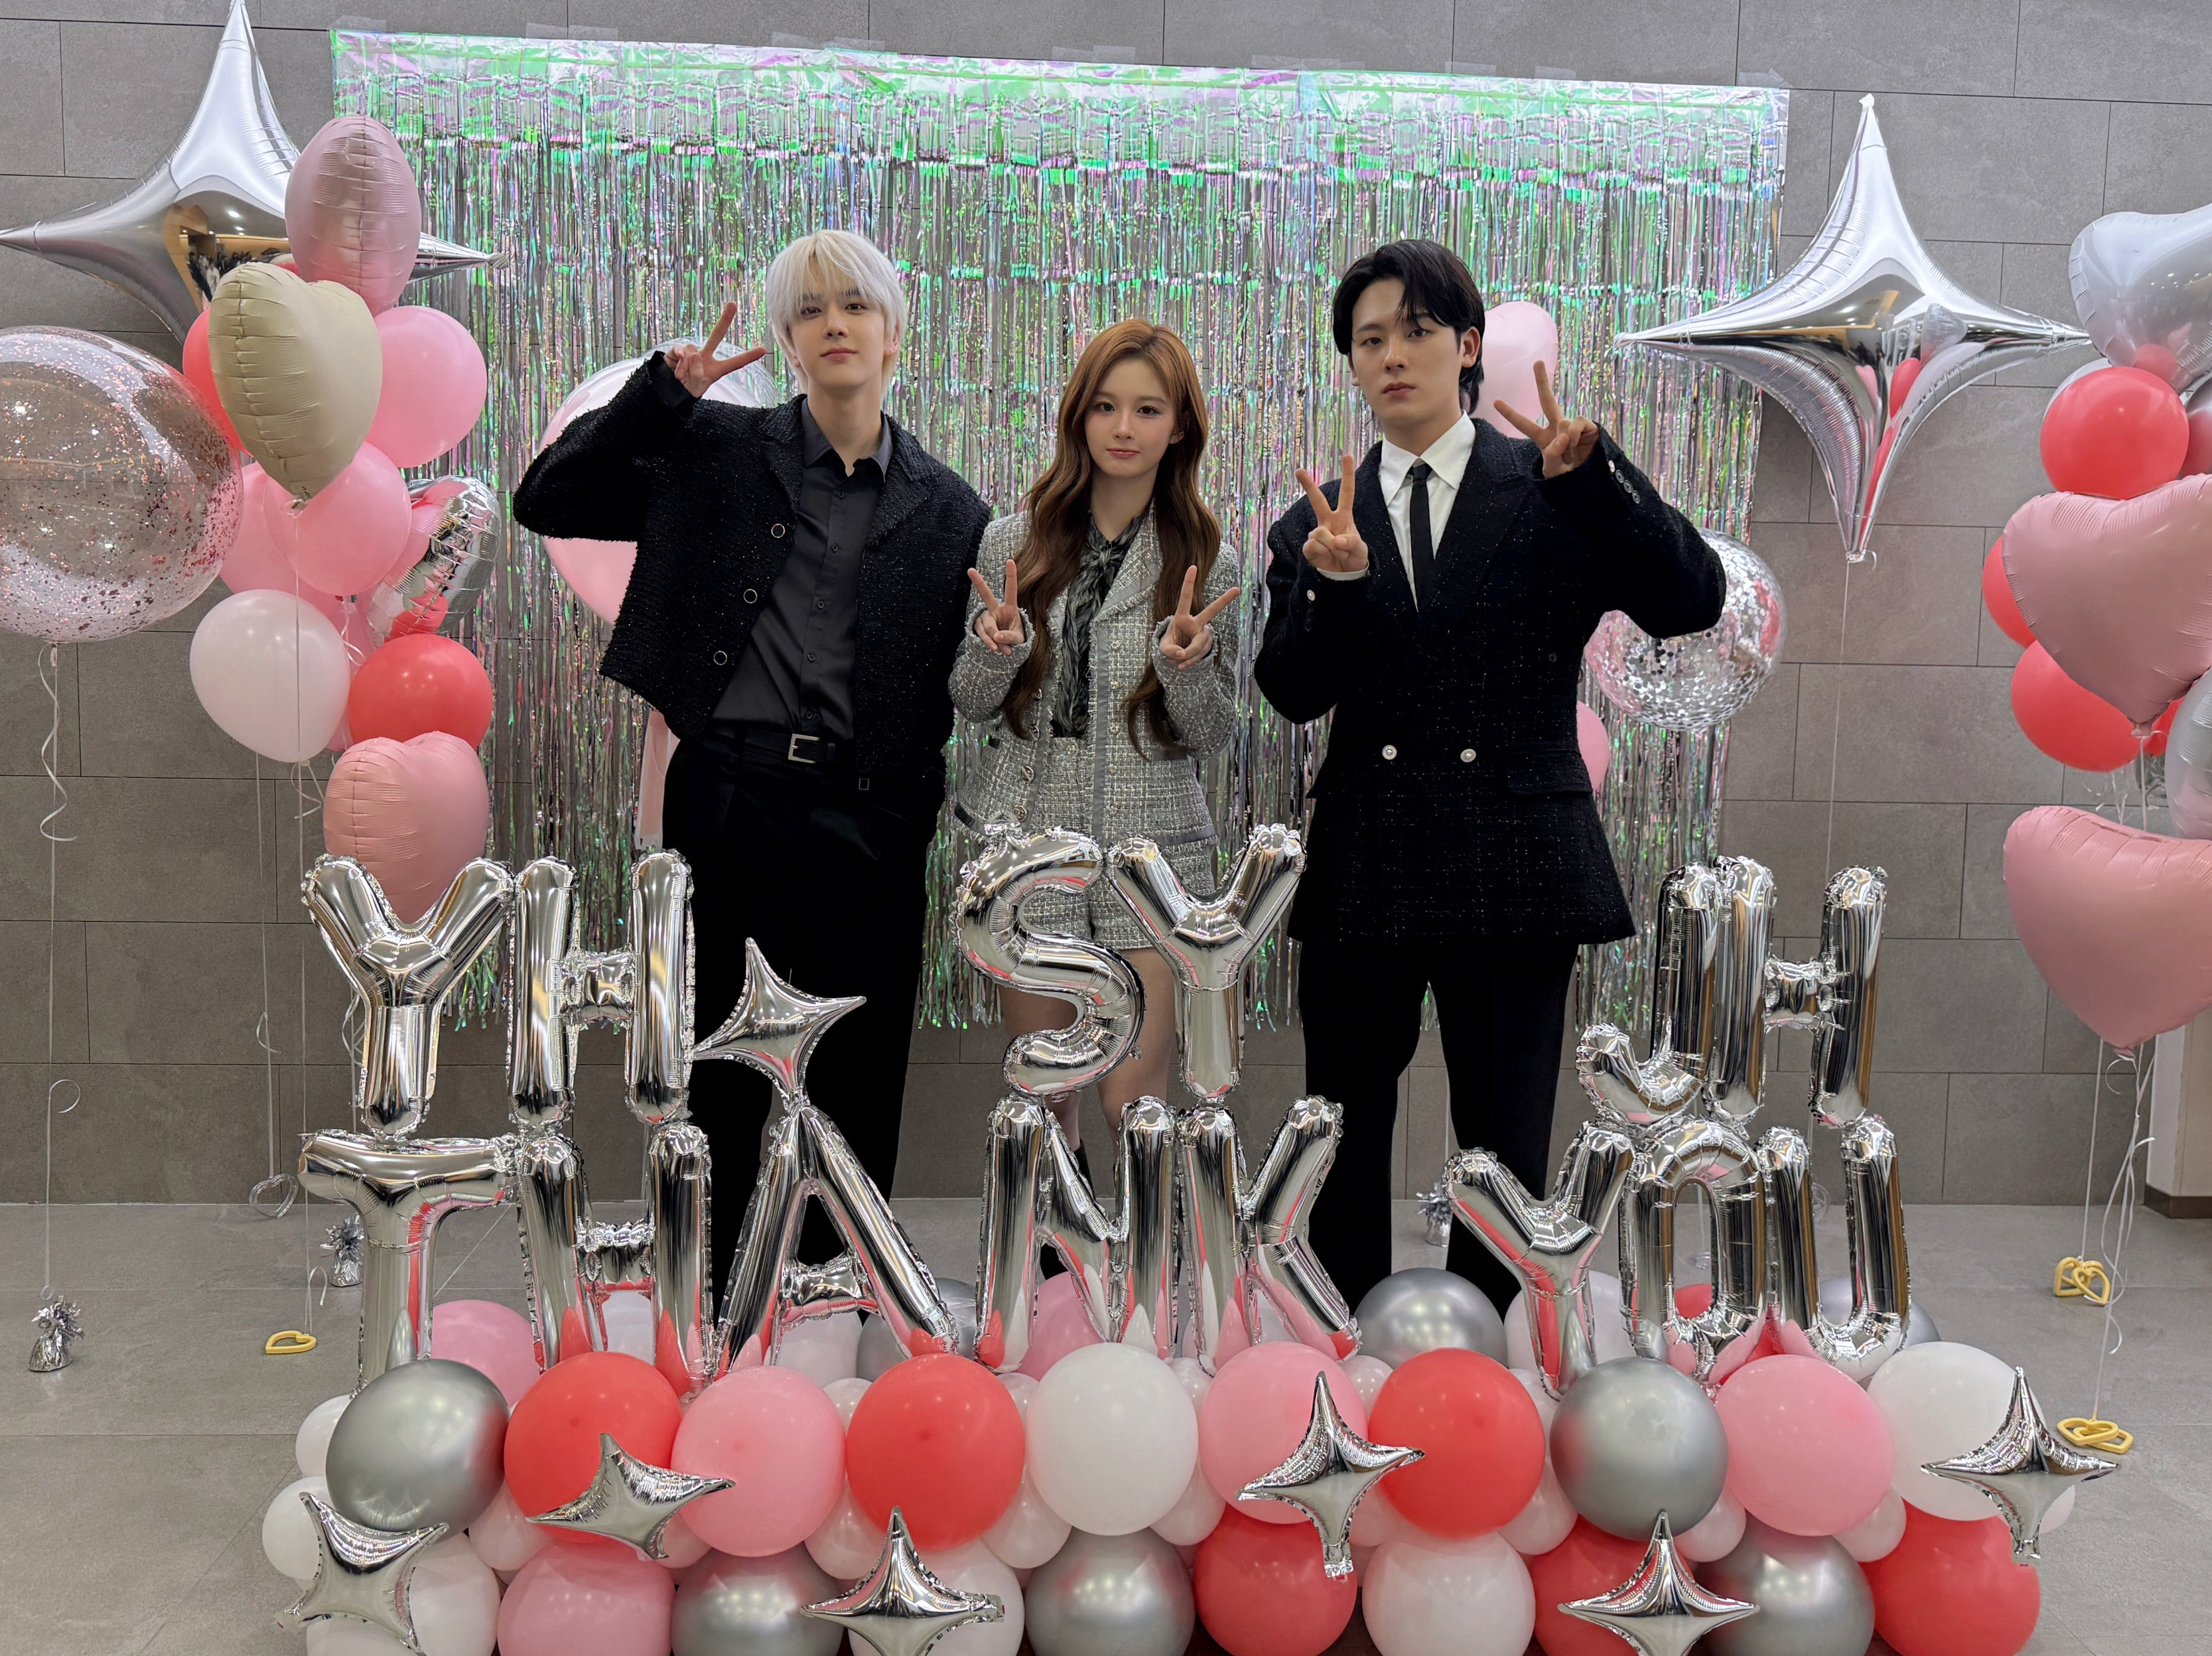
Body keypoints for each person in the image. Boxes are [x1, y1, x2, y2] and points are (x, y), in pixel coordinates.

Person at [512, 230, 992, 1293]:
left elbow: (956, 687)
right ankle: (727, 1293)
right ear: (786, 337)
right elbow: (548, 499)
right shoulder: (716, 447)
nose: (834, 324)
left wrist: (913, 804)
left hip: (871, 813)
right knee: (724, 1054)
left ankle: (841, 1289)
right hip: (729, 790)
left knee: (860, 1063)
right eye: (810, 309)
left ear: (894, 331)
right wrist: (659, 399)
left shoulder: (953, 508)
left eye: (854, 305)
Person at [1255, 239, 1724, 1317]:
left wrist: (1600, 480)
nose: (1392, 356)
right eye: (1369, 339)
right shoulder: (1318, 517)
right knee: (1341, 1128)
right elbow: (1291, 693)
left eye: (1416, 332)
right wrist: (1333, 589)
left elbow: (1691, 599)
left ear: (1468, 347)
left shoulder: (1555, 482)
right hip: (1368, 861)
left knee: (1505, 1140)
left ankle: (1494, 1354)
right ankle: (1347, 1342)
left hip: (1517, 858)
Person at [951, 318, 1240, 1167]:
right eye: (1106, 406)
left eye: (1148, 410)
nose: (1124, 428)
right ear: (1079, 416)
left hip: (1154, 860)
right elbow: (970, 703)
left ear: (1179, 426)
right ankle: (1054, 1250)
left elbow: (1213, 733)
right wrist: (994, 650)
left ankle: (1147, 1253)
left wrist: (1185, 667)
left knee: (1134, 1106)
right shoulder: (1013, 542)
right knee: (1047, 1095)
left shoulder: (1207, 557)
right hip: (1030, 847)